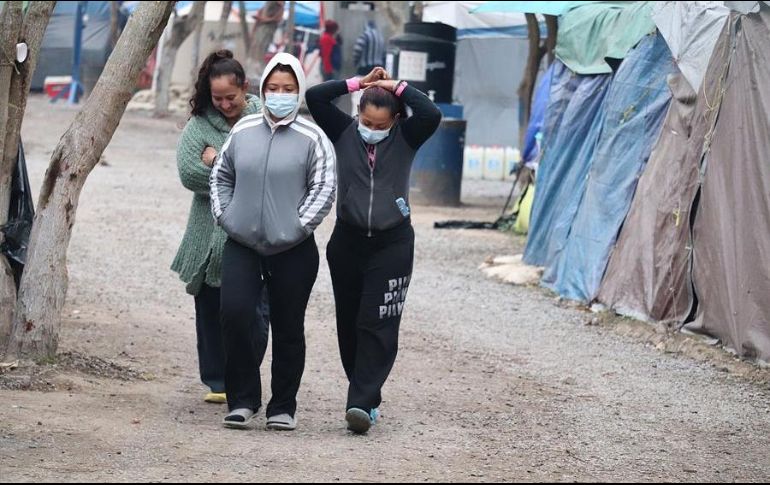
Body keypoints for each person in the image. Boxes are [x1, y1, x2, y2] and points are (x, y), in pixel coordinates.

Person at [306, 67, 442, 434]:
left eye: (382, 125)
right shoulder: (344, 132)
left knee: (377, 321)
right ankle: (366, 391)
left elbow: (431, 113)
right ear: (357, 115)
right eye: (367, 121)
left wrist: (396, 86)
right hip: (347, 241)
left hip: (393, 242)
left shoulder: (408, 136)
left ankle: (360, 402)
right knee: (349, 323)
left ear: (396, 120)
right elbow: (315, 97)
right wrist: (359, 83)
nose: (374, 129)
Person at [210, 52, 336, 431]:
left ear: (298, 92)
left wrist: (295, 227)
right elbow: (221, 176)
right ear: (262, 90)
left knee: (287, 325)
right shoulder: (243, 130)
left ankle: (283, 405)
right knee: (234, 314)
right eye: (273, 88)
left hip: (293, 248)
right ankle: (242, 399)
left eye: (288, 89)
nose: (279, 95)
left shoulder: (313, 137)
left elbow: (324, 187)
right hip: (243, 243)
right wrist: (228, 217)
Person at [173, 50, 269, 405]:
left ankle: (244, 372)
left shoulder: (263, 116)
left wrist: (217, 161)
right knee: (210, 307)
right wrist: (235, 172)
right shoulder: (197, 125)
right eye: (218, 99)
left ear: (244, 87)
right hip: (208, 233)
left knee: (252, 309)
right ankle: (217, 379)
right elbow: (188, 173)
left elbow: (268, 168)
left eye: (231, 97)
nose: (226, 104)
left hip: (256, 230)